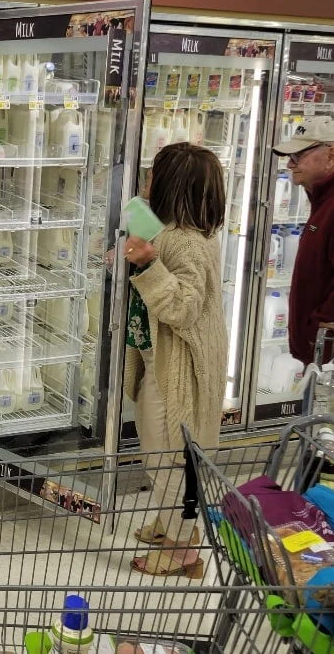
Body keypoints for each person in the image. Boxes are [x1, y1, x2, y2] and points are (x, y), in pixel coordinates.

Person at [117, 142, 227, 579]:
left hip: (178, 368)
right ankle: (172, 522)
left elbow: (182, 307)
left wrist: (147, 264)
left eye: (154, 175)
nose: (147, 181)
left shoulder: (188, 244)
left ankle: (184, 550)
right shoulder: (172, 229)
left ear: (172, 185)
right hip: (160, 358)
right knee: (160, 447)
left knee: (166, 454)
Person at [272, 116, 334, 366]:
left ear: (331, 155)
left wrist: (319, 326)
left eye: (298, 156)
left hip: (327, 356)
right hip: (320, 352)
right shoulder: (322, 201)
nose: (289, 164)